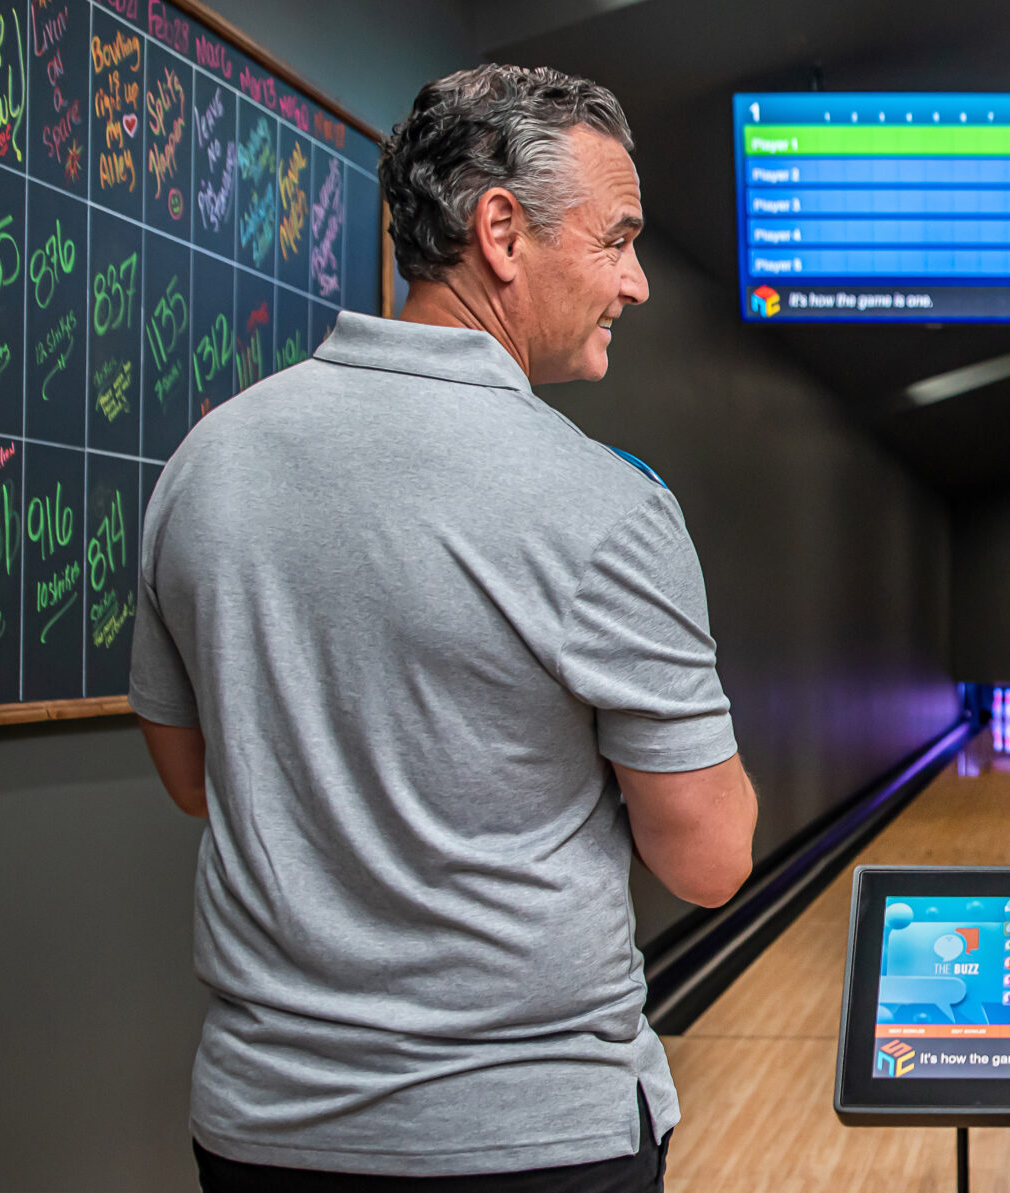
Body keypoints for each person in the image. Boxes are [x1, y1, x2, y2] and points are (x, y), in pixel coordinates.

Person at [130, 65, 757, 1190]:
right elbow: (709, 859)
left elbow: (193, 776)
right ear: (502, 231)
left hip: (263, 1130)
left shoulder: (207, 462)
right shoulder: (607, 504)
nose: (638, 282)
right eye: (617, 238)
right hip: (529, 1139)